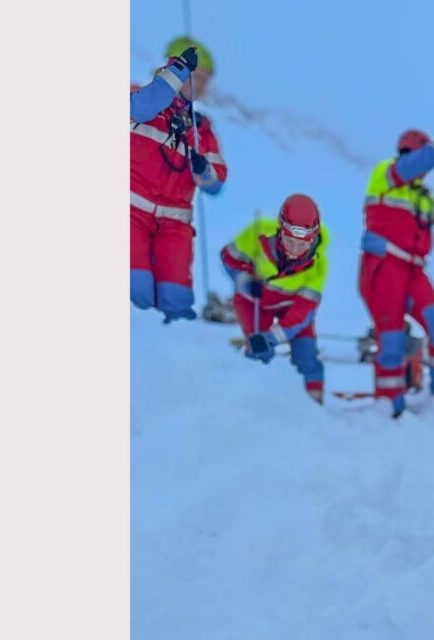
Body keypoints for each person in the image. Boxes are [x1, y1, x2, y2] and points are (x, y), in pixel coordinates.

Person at [359, 118, 434, 417]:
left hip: (414, 273)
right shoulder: (385, 175)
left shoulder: (422, 199)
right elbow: (412, 166)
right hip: (383, 267)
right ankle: (388, 408)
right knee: (390, 339)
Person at [130, 37, 228, 322]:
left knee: (178, 304)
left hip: (174, 228)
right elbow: (142, 108)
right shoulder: (139, 99)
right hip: (130, 215)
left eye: (204, 79)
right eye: (194, 75)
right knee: (136, 293)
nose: (199, 84)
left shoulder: (202, 129)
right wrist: (177, 72)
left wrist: (203, 170)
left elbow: (215, 185)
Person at [220, 194, 328, 404]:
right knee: (258, 353)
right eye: (290, 242)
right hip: (256, 303)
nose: (295, 251)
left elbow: (302, 314)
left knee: (307, 357)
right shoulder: (258, 233)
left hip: (292, 308)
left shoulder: (319, 265)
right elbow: (228, 258)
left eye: (302, 244)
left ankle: (315, 408)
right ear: (280, 231)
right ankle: (249, 405)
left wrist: (273, 337)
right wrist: (245, 281)